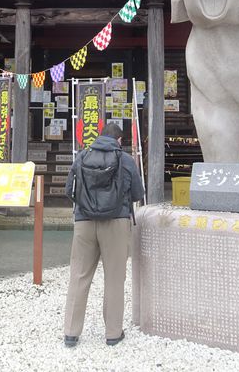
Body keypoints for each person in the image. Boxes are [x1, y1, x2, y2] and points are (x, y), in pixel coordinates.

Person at [63, 123, 145, 348]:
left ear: (100, 137)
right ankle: (112, 333)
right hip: (116, 223)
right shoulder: (125, 160)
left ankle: (71, 333)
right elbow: (138, 193)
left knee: (79, 275)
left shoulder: (82, 156)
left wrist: (84, 207)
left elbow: (68, 189)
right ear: (119, 140)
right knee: (115, 279)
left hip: (84, 223)